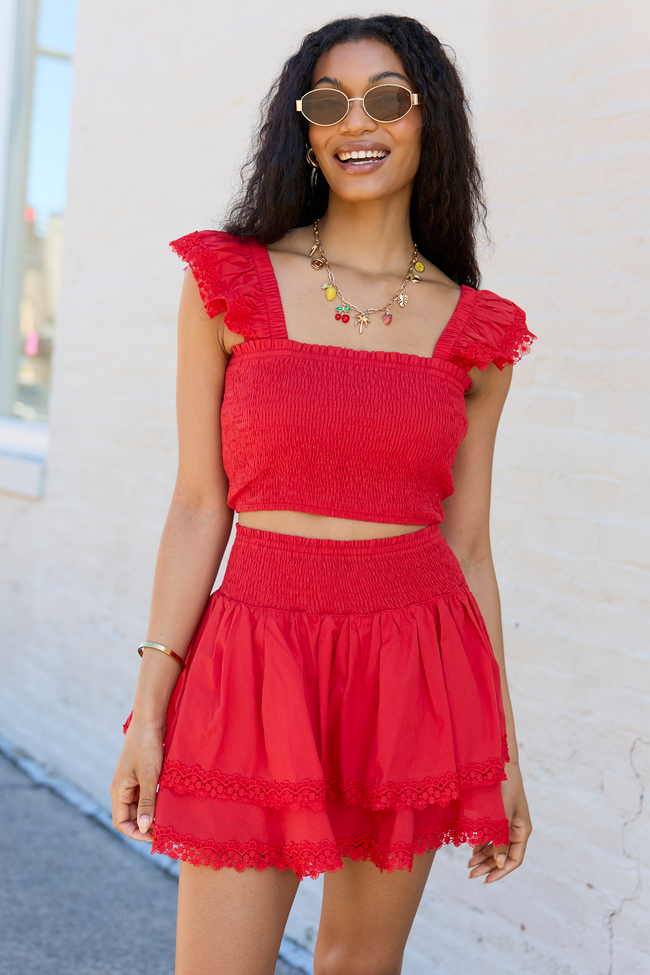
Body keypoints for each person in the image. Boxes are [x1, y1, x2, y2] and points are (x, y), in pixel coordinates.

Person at [111, 14, 535, 975]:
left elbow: (468, 546)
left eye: (387, 97)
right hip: (256, 658)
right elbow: (196, 502)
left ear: (430, 121)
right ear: (302, 129)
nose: (359, 121)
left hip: (416, 670)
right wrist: (152, 696)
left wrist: (504, 753)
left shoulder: (474, 332)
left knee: (358, 968)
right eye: (329, 102)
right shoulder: (231, 284)